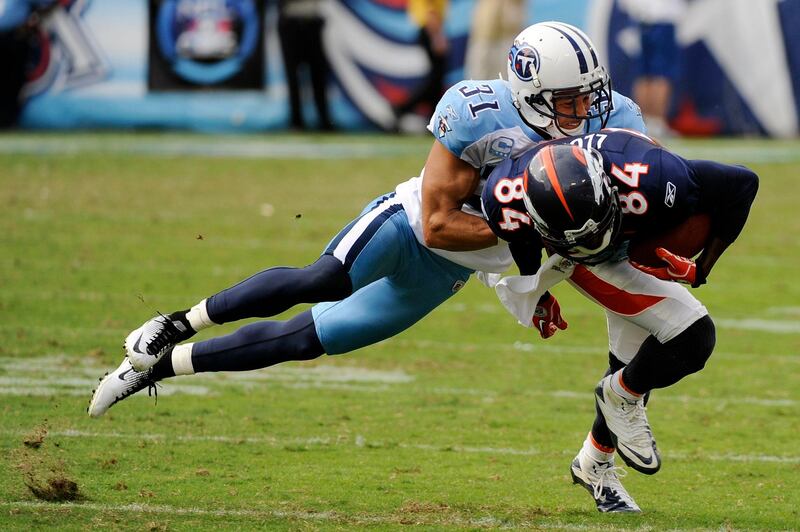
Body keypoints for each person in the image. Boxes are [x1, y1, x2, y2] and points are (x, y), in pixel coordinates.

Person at [89, 20, 646, 477]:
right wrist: (529, 232)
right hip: (408, 228)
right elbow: (437, 224)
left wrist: (534, 277)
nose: (587, 112)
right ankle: (178, 323)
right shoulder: (478, 113)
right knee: (324, 280)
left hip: (449, 273)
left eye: (589, 95)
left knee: (308, 340)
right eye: (569, 101)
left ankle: (158, 369)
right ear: (529, 93)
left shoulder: (615, 120)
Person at [480, 129, 758, 512]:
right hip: (577, 259)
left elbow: (743, 183)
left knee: (636, 363)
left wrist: (700, 269)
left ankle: (594, 463)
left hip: (630, 238)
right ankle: (621, 395)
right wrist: (538, 290)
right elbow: (522, 238)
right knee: (691, 336)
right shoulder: (504, 201)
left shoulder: (654, 179)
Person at [620, 0, 687, 138]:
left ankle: (643, 122)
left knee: (644, 75)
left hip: (642, 19)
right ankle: (657, 122)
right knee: (661, 74)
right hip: (663, 18)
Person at [393, 0, 449, 132]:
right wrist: (437, 35)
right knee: (436, 79)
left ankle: (431, 118)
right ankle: (403, 108)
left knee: (436, 80)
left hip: (428, 27)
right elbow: (430, 9)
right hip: (430, 28)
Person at [277, 0, 334, 131]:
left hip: (312, 20)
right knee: (293, 75)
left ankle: (324, 121)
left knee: (318, 74)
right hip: (290, 21)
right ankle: (296, 122)